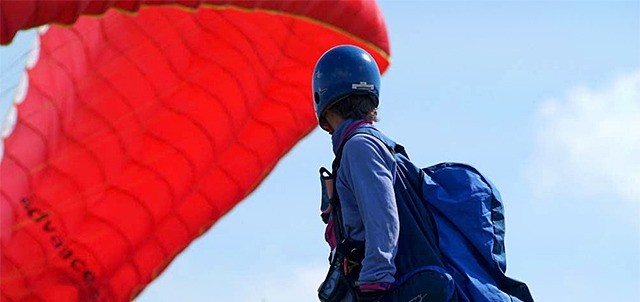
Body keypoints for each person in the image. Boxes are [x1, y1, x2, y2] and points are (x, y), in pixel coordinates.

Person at [313, 45, 399, 302]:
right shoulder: (363, 145)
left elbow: (383, 217)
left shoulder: (360, 147)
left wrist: (374, 285)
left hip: (375, 288)